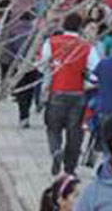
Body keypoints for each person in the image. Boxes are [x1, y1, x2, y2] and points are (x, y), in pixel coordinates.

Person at [41, 12, 101, 175]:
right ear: (80, 28)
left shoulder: (51, 42)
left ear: (63, 26)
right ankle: (70, 168)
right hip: (78, 93)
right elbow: (96, 72)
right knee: (75, 132)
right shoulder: (86, 47)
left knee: (53, 127)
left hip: (57, 91)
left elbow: (43, 66)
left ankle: (55, 151)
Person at [0, 10, 39, 129]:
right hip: (32, 65)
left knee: (21, 90)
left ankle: (23, 116)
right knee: (29, 91)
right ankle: (26, 115)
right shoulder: (35, 31)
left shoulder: (12, 30)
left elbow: (8, 48)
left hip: (17, 64)